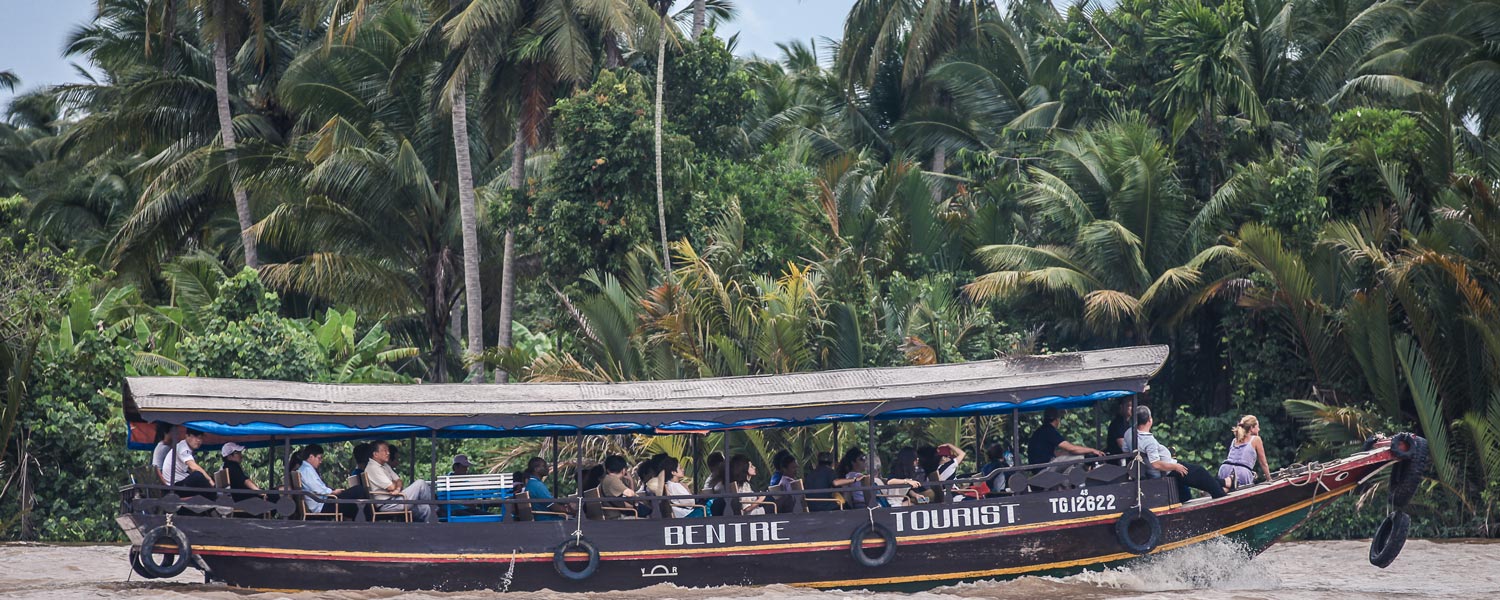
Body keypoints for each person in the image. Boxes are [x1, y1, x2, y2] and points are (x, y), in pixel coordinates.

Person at [1124, 406, 1226, 501]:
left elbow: (1125, 450)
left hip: (1159, 469)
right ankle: (1221, 496)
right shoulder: (1148, 441)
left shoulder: (1129, 433)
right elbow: (1156, 464)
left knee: (1186, 491)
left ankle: (1226, 482)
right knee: (1200, 471)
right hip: (1167, 471)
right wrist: (1175, 467)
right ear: (1150, 420)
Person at [365, 441, 437, 522]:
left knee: (425, 508)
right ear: (375, 454)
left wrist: (397, 489)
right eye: (384, 450)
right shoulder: (373, 468)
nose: (388, 453)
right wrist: (394, 485)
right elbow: (391, 487)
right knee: (420, 483)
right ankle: (437, 510)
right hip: (387, 504)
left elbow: (399, 480)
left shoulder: (385, 465)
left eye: (388, 450)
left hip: (395, 498)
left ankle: (431, 527)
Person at [1028, 408, 1105, 467]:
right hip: (1045, 468)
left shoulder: (1040, 431)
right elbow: (1072, 449)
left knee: (1069, 458)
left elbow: (1052, 453)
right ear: (1057, 420)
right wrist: (1092, 450)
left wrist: (1067, 453)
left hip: (1038, 467)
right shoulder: (1049, 431)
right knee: (1083, 457)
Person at [1218, 415, 1272, 490]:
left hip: (1225, 468)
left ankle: (1216, 488)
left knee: (1227, 489)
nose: (1259, 429)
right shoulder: (1256, 439)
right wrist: (1269, 479)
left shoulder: (1235, 439)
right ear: (1251, 428)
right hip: (1242, 472)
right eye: (1257, 427)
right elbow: (1263, 463)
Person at [295, 444, 344, 515]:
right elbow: (318, 489)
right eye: (319, 458)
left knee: (353, 495)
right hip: (321, 505)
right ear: (311, 457)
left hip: (322, 502)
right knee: (357, 491)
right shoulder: (307, 470)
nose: (320, 461)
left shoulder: (306, 469)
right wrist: (333, 492)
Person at [166, 429, 213, 493]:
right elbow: (194, 467)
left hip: (180, 482)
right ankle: (216, 497)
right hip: (174, 486)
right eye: (195, 437)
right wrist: (209, 480)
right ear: (187, 436)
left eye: (200, 438)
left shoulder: (185, 447)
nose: (198, 440)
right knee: (198, 475)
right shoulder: (183, 448)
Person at [598, 454, 637, 519]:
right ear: (624, 470)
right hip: (616, 517)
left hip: (613, 514)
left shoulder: (607, 479)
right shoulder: (612, 479)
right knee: (649, 521)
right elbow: (630, 494)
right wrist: (630, 480)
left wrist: (630, 481)